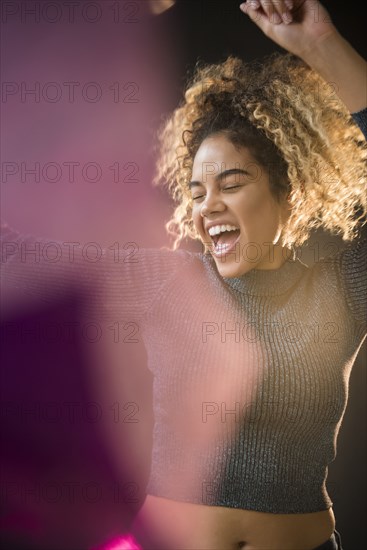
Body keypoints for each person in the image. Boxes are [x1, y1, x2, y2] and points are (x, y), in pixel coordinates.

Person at [1, 1, 366, 549]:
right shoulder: (167, 282)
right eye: (196, 192)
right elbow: (14, 251)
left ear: (286, 194)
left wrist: (319, 44)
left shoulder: (342, 289)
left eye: (232, 183)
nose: (207, 206)